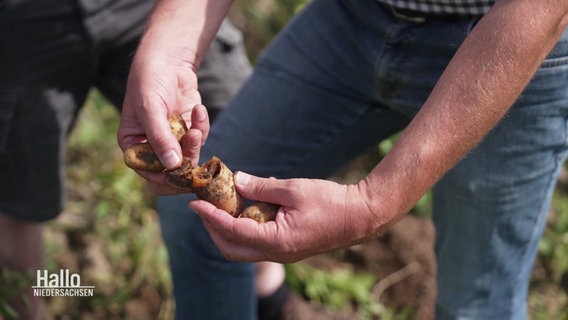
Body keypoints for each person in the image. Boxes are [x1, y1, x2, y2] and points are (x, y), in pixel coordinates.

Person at [118, 0, 568, 319]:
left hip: (511, 42)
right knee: (198, 224)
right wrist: (172, 49)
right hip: (354, 19)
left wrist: (374, 204)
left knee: (476, 303)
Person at [0, 1, 287, 319]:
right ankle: (23, 311)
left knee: (249, 145)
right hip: (20, 19)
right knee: (15, 198)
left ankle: (272, 296)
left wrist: (173, 50)